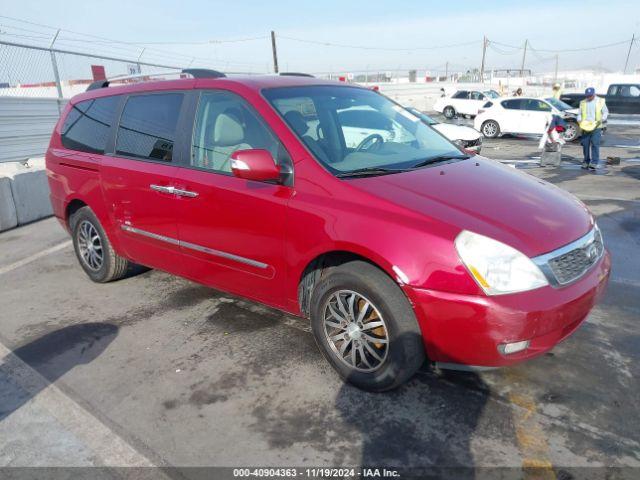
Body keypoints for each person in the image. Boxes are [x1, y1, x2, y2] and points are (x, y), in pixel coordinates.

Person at [578, 87, 608, 171]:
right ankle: (586, 161)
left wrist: (602, 119)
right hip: (585, 127)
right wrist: (579, 119)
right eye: (587, 96)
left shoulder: (600, 101)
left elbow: (605, 112)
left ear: (594, 94)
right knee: (585, 145)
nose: (589, 97)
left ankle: (594, 162)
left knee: (595, 145)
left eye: (590, 96)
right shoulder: (583, 102)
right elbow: (579, 114)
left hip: (596, 127)